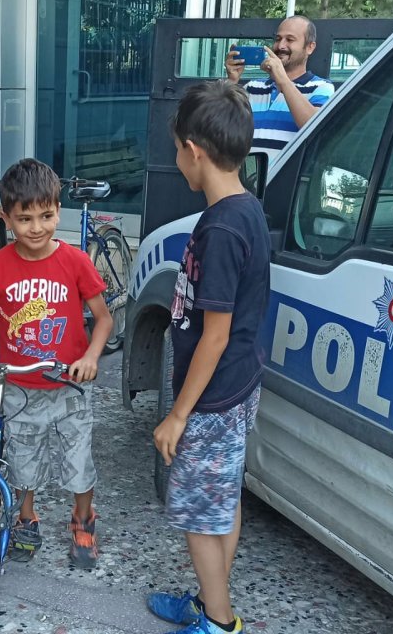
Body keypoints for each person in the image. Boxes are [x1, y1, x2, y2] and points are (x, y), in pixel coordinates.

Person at [0, 158, 113, 569]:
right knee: (22, 461)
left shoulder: (75, 262)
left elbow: (104, 318)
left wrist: (90, 357)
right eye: (25, 218)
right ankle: (26, 517)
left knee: (78, 461)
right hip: (18, 387)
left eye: (47, 215)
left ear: (58, 210)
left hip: (69, 384)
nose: (37, 227)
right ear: (7, 218)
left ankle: (83, 518)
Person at [147, 79, 272, 634]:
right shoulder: (246, 209)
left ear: (193, 150)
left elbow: (214, 335)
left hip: (212, 395)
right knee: (222, 500)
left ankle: (218, 621)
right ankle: (210, 598)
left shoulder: (221, 227)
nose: (177, 162)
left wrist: (178, 414)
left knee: (200, 510)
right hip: (237, 384)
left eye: (177, 151)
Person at [226, 15, 335, 160]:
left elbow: (314, 127)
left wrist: (282, 79)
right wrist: (232, 81)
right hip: (247, 180)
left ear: (310, 47)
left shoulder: (322, 87)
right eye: (278, 39)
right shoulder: (253, 87)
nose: (281, 46)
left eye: (290, 40)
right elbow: (216, 127)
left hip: (285, 181)